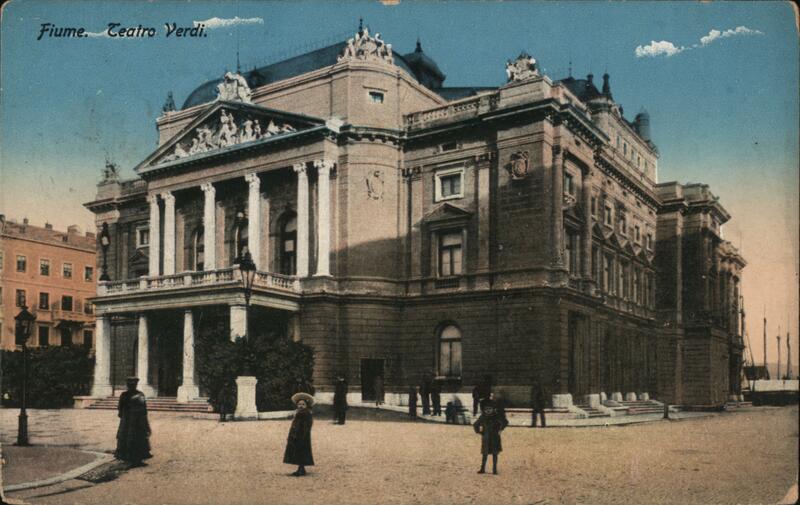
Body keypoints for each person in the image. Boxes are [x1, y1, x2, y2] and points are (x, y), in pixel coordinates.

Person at [115, 377, 152, 466]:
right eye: (131, 384)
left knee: (129, 438)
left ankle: (129, 458)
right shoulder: (139, 395)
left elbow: (120, 409)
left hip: (129, 421)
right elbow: (144, 409)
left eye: (132, 384)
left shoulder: (125, 395)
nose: (131, 385)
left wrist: (123, 416)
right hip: (136, 421)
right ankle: (135, 460)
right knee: (137, 438)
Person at [473, 399, 508, 475]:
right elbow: (475, 424)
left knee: (495, 454)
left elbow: (505, 422)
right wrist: (479, 432)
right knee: (484, 454)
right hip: (486, 438)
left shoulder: (497, 416)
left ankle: (494, 469)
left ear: (493, 409)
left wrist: (501, 429)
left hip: (495, 438)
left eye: (490, 409)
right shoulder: (483, 417)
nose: (488, 410)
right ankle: (482, 468)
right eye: (486, 409)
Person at [283, 392, 315, 477]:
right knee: (298, 451)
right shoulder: (299, 413)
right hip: (297, 435)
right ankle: (301, 468)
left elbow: (306, 426)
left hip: (302, 435)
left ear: (307, 405)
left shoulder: (306, 413)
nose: (301, 406)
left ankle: (301, 469)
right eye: (299, 404)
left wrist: (301, 435)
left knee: (301, 451)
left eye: (303, 404)